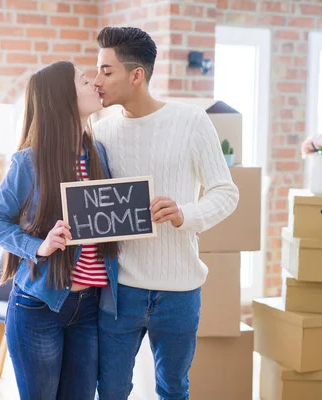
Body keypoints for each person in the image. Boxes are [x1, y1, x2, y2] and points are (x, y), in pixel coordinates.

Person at [92, 27, 240, 400]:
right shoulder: (102, 131)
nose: (97, 81)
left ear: (136, 75)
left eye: (106, 72)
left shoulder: (191, 121)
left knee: (173, 389)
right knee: (110, 390)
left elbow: (226, 192)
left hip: (179, 290)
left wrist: (184, 214)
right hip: (120, 289)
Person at [0, 61, 120, 400]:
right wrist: (37, 246)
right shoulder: (29, 162)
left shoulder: (97, 153)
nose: (95, 86)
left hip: (88, 306)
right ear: (63, 98)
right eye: (85, 81)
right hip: (38, 308)